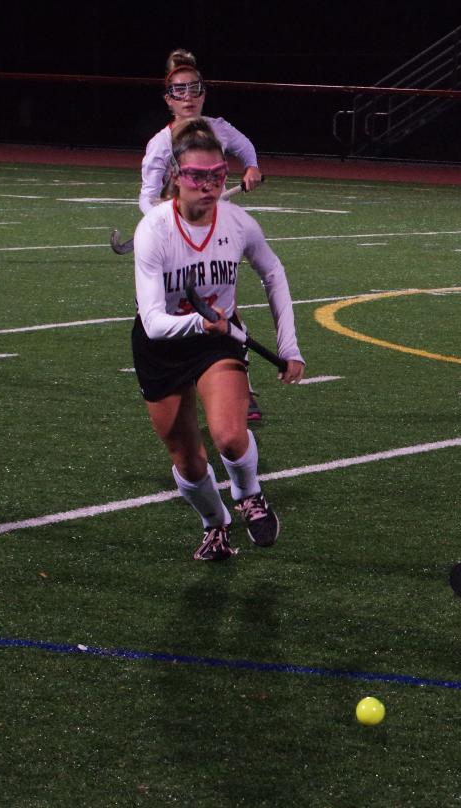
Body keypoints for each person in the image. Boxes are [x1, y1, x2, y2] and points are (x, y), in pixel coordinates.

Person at [132, 117, 305, 561]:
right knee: (188, 460)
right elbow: (153, 323)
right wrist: (199, 323)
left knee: (230, 435)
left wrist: (289, 347)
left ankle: (250, 495)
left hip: (218, 339)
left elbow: (274, 273)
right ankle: (215, 524)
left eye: (217, 176)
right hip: (164, 344)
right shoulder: (153, 229)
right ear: (176, 177)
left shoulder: (239, 223)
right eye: (196, 176)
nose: (207, 185)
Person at [140, 48, 265, 421]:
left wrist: (253, 167)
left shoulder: (219, 128)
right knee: (171, 310)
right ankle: (179, 381)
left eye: (195, 88)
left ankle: (241, 385)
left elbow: (245, 147)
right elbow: (147, 196)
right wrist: (164, 224)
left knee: (224, 304)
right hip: (173, 238)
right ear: (168, 99)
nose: (188, 97)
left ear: (204, 93)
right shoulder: (160, 144)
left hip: (213, 231)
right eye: (179, 91)